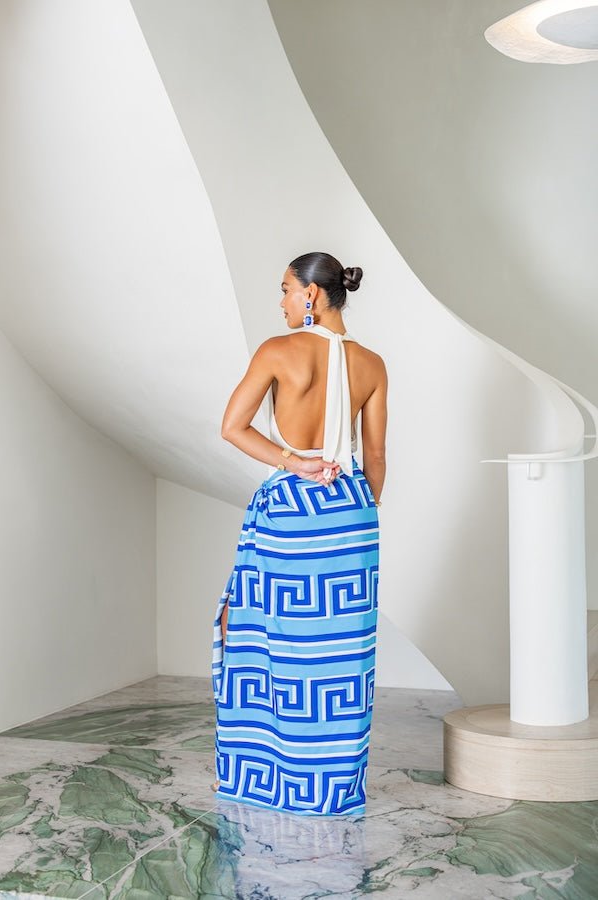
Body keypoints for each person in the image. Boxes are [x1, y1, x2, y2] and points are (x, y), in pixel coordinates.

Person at [210, 251, 387, 815]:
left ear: (311, 295)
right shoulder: (373, 365)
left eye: (286, 289)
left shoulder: (277, 351)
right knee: (341, 653)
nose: (282, 301)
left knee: (264, 636)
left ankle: (259, 775)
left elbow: (232, 427)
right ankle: (332, 788)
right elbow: (375, 458)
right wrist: (356, 513)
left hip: (291, 509)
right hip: (352, 513)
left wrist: (293, 462)